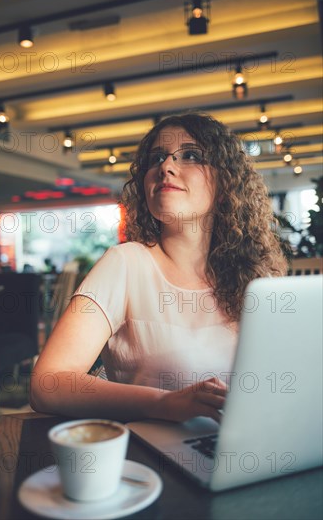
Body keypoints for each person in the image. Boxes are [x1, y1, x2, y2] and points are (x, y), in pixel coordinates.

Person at [30, 113, 287, 423]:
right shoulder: (125, 264)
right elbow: (47, 384)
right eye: (157, 158)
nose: (166, 166)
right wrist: (160, 403)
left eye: (190, 155)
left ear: (225, 183)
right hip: (157, 458)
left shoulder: (257, 276)